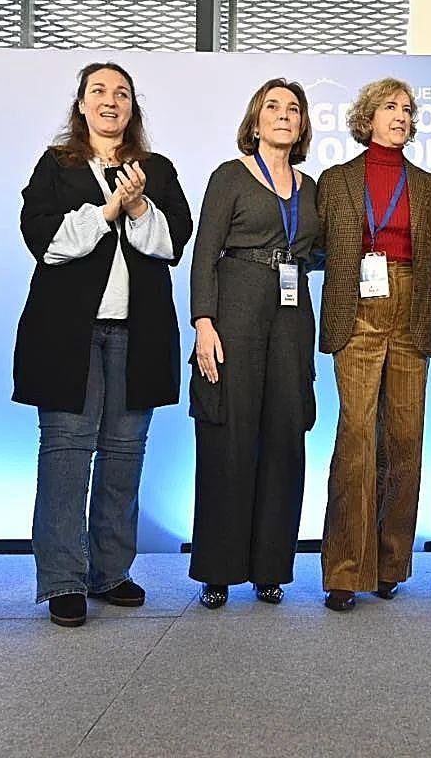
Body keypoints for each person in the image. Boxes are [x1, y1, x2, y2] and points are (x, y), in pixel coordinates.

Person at [13, 62, 193, 628]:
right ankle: (63, 579)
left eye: (122, 93)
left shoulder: (157, 170)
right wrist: (109, 209)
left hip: (138, 334)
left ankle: (110, 571)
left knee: (124, 454)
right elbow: (47, 243)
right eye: (99, 92)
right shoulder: (55, 165)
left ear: (133, 107)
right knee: (66, 454)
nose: (111, 101)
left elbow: (173, 243)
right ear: (82, 105)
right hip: (70, 335)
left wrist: (139, 206)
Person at [188, 78, 320, 609]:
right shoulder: (230, 176)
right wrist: (203, 322)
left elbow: (322, 251)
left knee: (285, 438)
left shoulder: (311, 189)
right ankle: (218, 570)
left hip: (291, 317)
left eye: (293, 108)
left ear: (304, 124)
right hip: (236, 309)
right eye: (273, 107)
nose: (283, 115)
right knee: (229, 438)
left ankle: (271, 566)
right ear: (256, 120)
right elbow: (204, 252)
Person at [317, 78, 431, 612]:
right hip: (357, 309)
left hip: (414, 306)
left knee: (406, 441)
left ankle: (391, 563)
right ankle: (346, 571)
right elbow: (318, 246)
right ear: (367, 118)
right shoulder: (335, 180)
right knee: (356, 438)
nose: (401, 115)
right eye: (390, 107)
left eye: (408, 109)